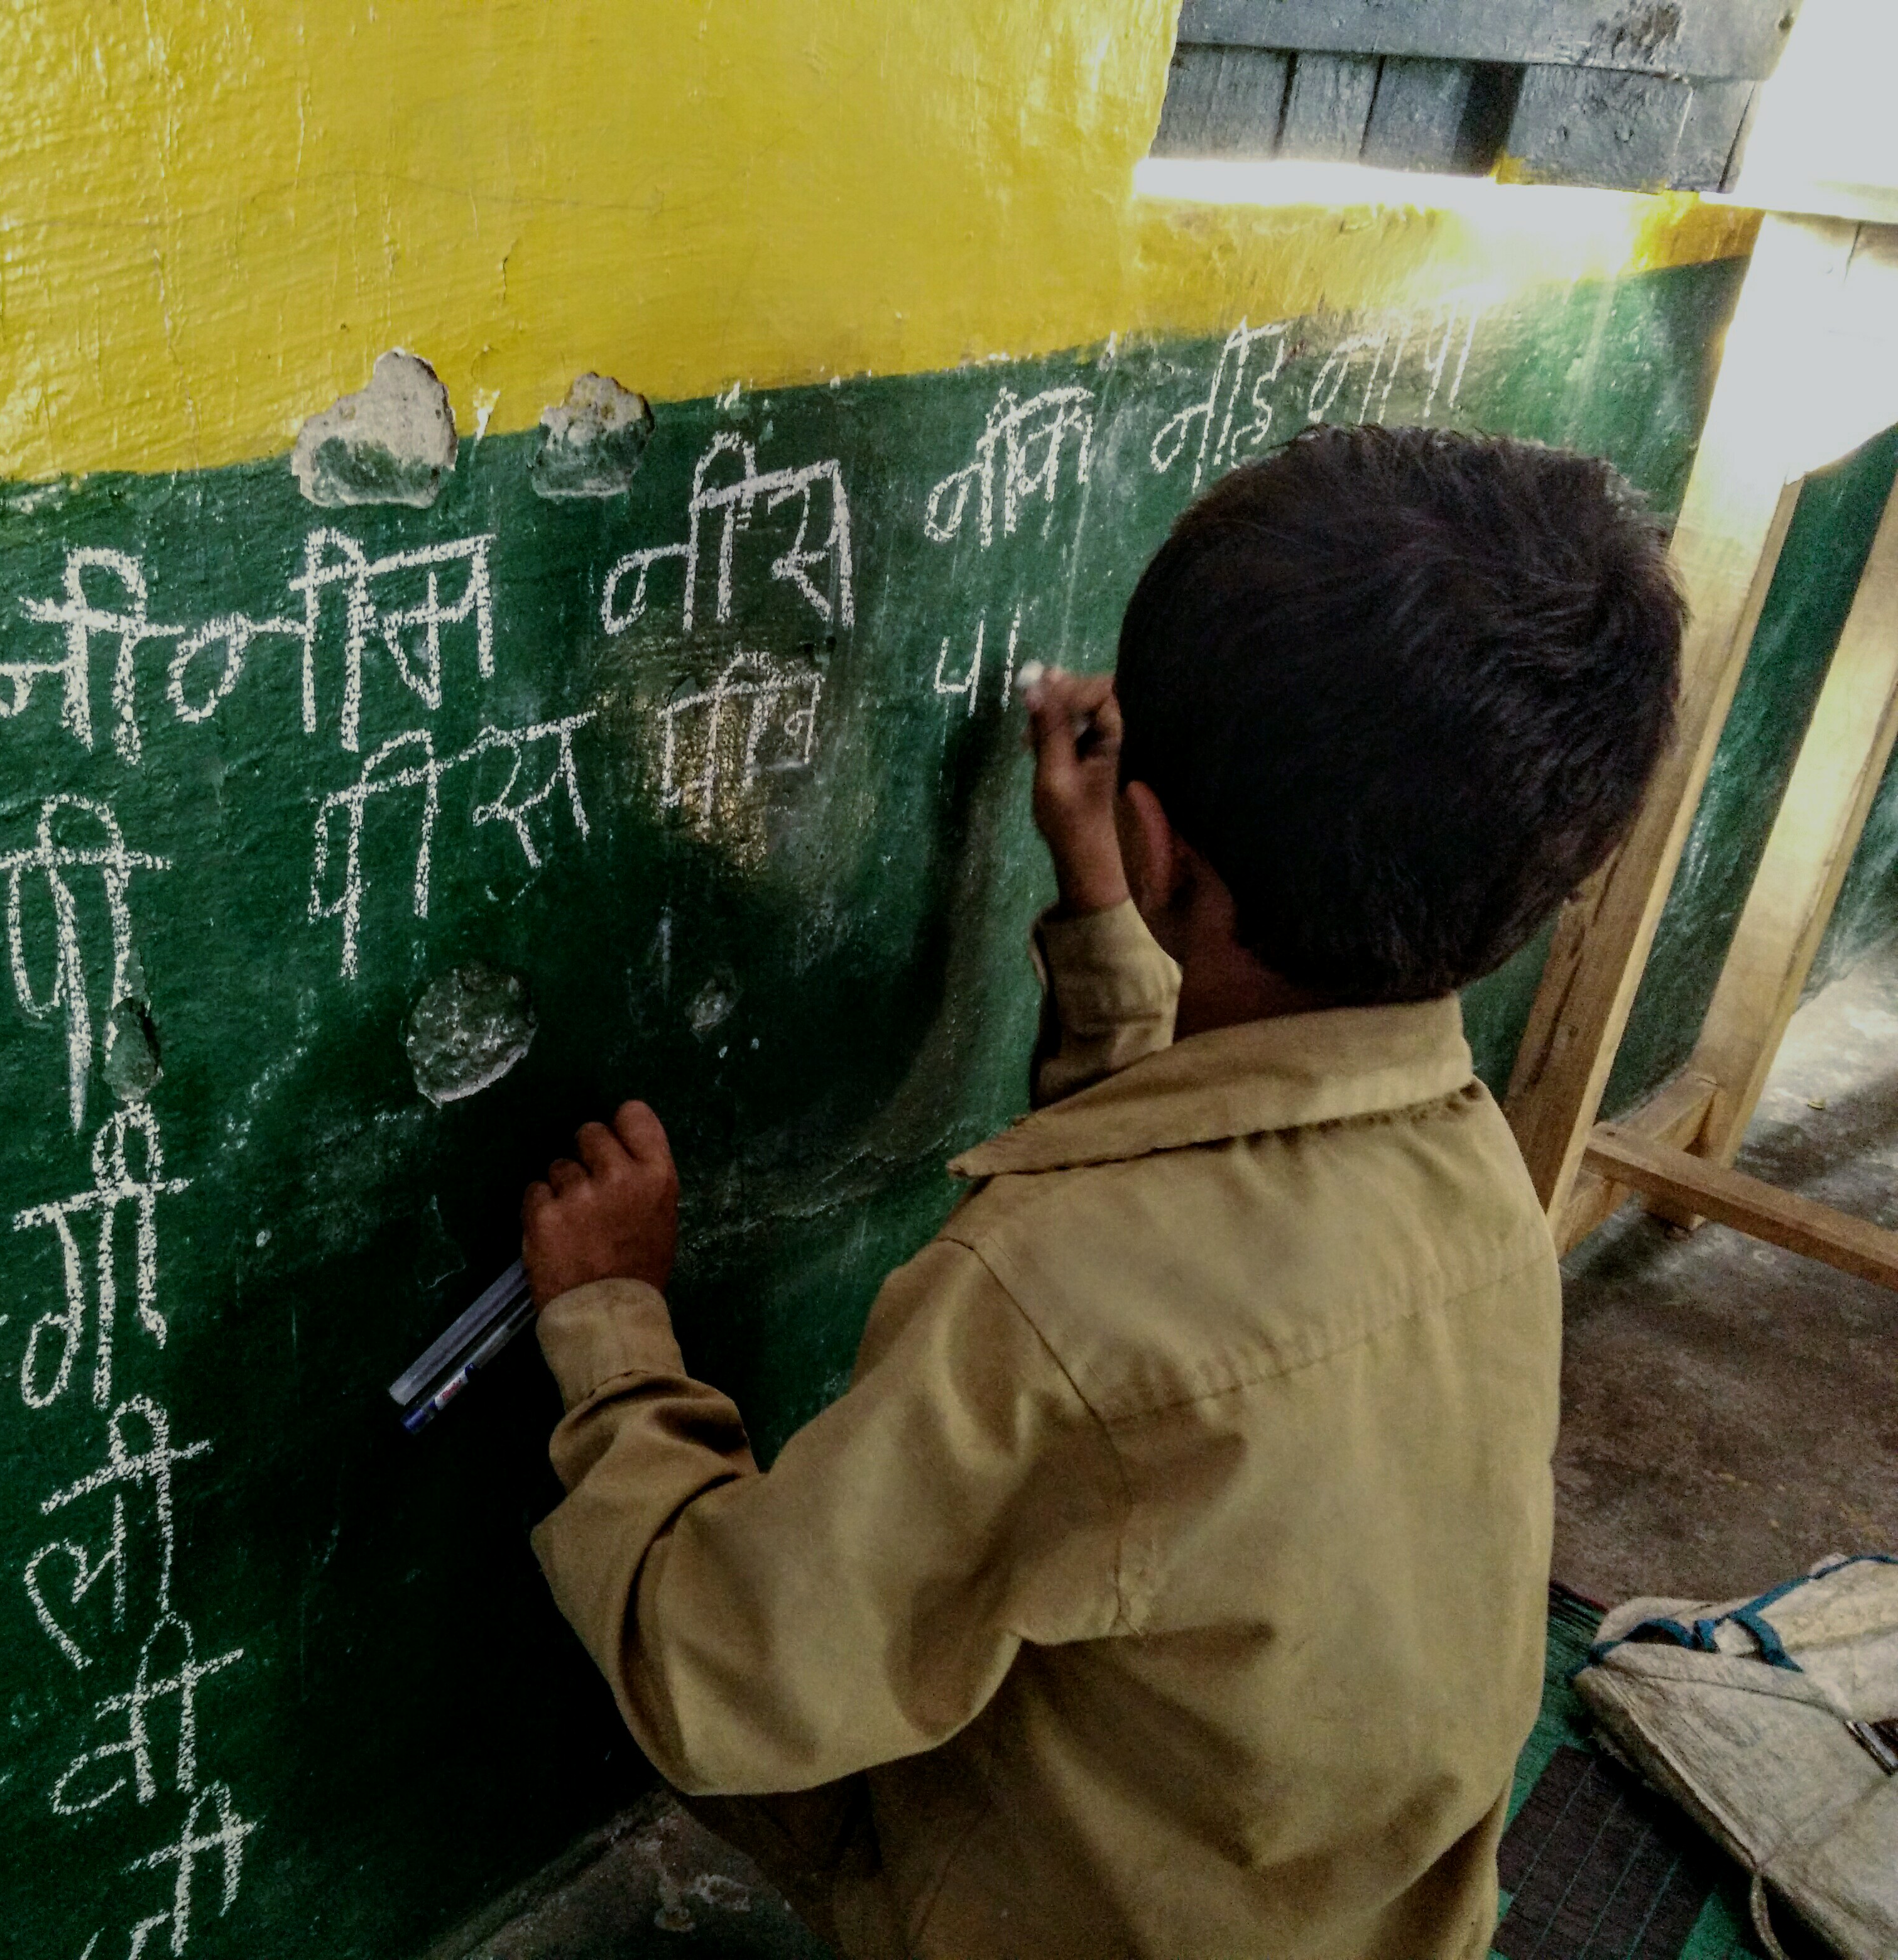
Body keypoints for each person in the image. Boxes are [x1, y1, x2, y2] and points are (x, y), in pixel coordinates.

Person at [516, 425, 1684, 1959]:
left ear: (1150, 829)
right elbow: (1201, 1196)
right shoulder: (1473, 1161)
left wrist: (611, 1332)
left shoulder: (1048, 1298)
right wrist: (1105, 915)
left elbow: (720, 1672)